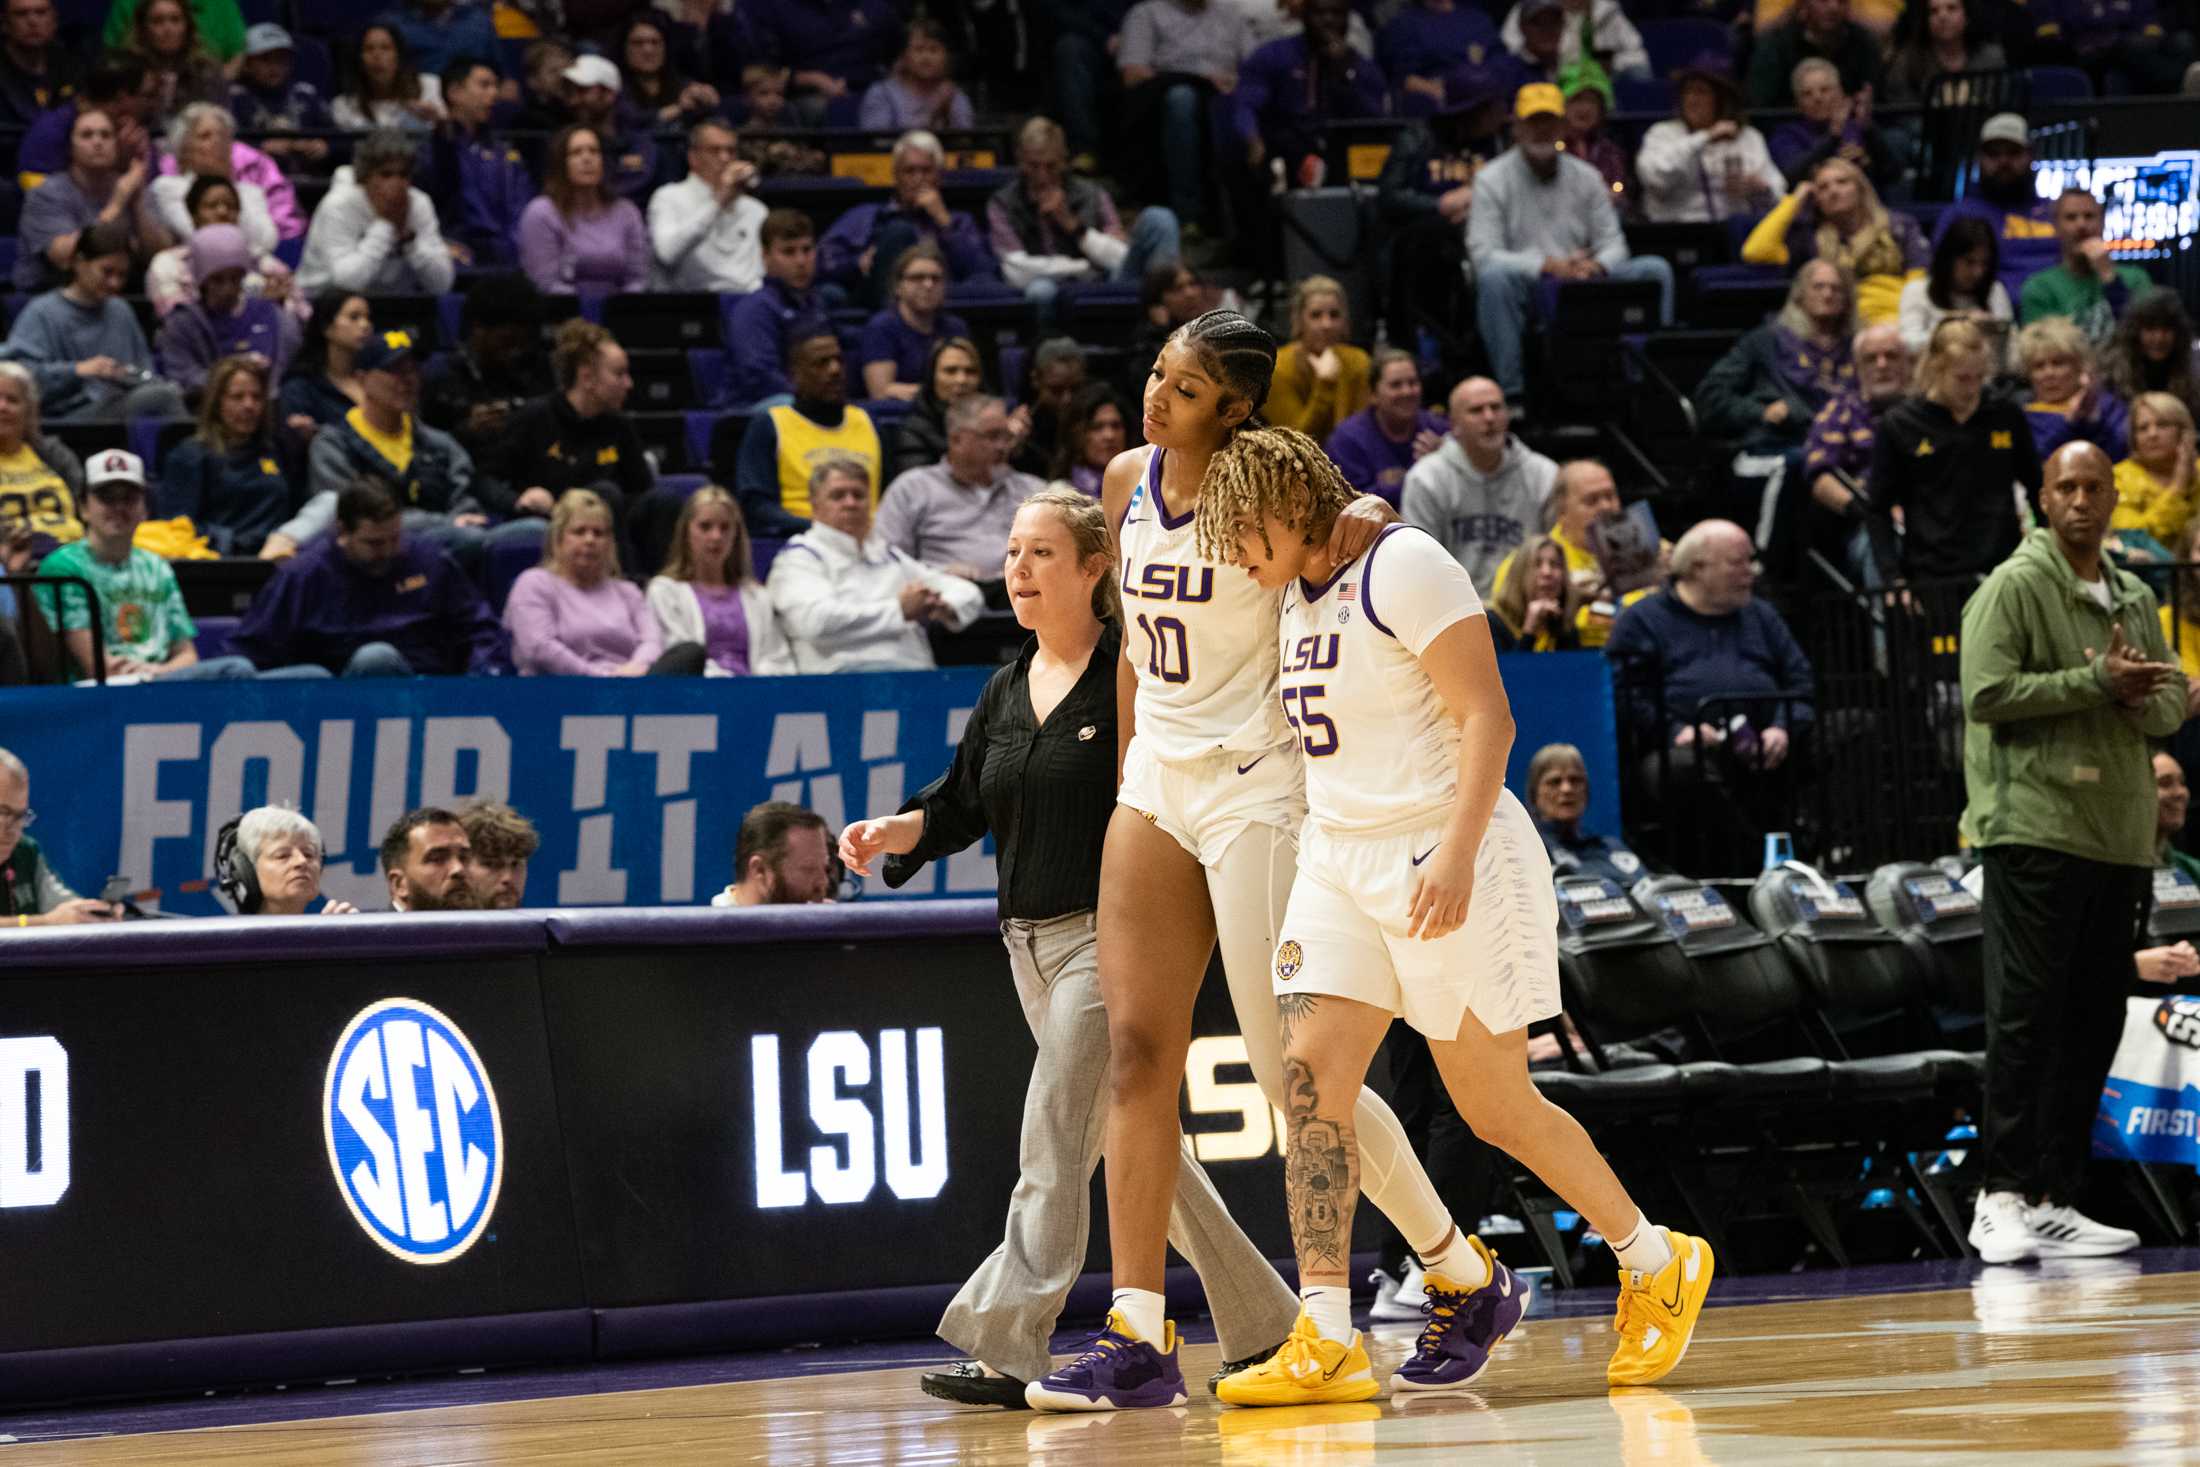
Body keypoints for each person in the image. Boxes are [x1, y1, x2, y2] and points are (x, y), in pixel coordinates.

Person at [1181, 425, 1710, 1407]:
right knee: (1307, 1091)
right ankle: (1326, 1331)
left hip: (1446, 848)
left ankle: (1655, 1255)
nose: (1234, 558)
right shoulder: (1292, 594)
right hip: (1339, 858)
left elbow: (1489, 719)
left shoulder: (1408, 565)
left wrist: (1458, 854)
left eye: (1240, 534)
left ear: (1285, 508)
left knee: (1492, 1105)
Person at [1021, 314, 1482, 1414]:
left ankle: (1455, 1267)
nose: (1155, 399)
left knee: (1297, 1076)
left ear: (1232, 409)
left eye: (1183, 389)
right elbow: (1131, 646)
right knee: (1135, 1055)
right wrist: (1134, 776)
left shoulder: (1260, 485)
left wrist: (1369, 512)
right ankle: (1137, 1331)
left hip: (1257, 789)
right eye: (1154, 376)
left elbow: (1353, 522)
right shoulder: (1127, 475)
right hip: (1160, 783)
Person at [838, 485, 1302, 1406]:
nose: (1018, 567)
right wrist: (902, 830)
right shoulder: (1006, 686)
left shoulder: (1132, 672)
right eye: (1012, 552)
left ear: (1098, 570)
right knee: (1143, 1151)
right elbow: (965, 797)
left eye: (1041, 552)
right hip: (1026, 945)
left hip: (1114, 936)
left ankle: (1010, 1338)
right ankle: (1265, 1321)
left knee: (1056, 1132)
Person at [1960, 440, 2181, 1263]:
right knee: (2027, 1013)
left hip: (2119, 832)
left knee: (2094, 1016)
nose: (2082, 500)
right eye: (2067, 487)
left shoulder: (2132, 591)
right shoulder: (2015, 586)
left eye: (2096, 487)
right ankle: (2000, 1194)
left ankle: (2056, 1193)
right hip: (2036, 826)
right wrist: (2097, 684)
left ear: (2117, 498)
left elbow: (2160, 716)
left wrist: (2162, 694)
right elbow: (1984, 691)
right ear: (2043, 501)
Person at [1605, 519, 1815, 872]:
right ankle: (1756, 868)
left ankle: (1835, 855)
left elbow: (1801, 681)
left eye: (1751, 561)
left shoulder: (1761, 615)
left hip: (1770, 743)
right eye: (1739, 562)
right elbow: (1624, 694)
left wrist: (1782, 727)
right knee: (1678, 770)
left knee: (1856, 729)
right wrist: (1674, 731)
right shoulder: (1641, 620)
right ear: (1697, 568)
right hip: (1688, 748)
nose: (1751, 572)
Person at [35, 447, 317, 682]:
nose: (119, 508)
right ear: (83, 507)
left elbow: (187, 655)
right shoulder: (64, 567)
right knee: (236, 671)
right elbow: (99, 668)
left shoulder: (156, 566)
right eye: (107, 498)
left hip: (161, 684)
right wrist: (160, 673)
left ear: (145, 508)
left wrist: (158, 671)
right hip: (101, 694)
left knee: (311, 675)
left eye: (129, 498)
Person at [1469, 83, 1673, 409]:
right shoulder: (1491, 179)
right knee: (1493, 280)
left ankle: (1649, 381)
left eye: (1549, 121)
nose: (1542, 131)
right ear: (1517, 129)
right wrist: (1545, 265)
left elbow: (1614, 243)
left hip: (1584, 280)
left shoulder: (1588, 177)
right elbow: (1483, 254)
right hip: (1530, 285)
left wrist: (1598, 265)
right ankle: (1512, 393)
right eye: (1533, 122)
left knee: (1655, 269)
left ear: (1563, 125)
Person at [274, 327, 523, 565]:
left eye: (412, 370)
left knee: (532, 531)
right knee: (468, 539)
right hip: (375, 550)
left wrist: (460, 520)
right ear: (362, 379)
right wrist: (445, 523)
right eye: (393, 371)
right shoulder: (334, 443)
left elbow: (465, 499)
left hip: (451, 544)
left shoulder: (438, 442)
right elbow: (352, 514)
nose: (407, 380)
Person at [230, 480, 504, 677]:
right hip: (336, 706)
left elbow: (480, 628)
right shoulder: (303, 575)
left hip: (425, 691)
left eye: (395, 539)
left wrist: (479, 675)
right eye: (373, 543)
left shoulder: (430, 561)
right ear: (342, 531)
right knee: (373, 660)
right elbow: (253, 648)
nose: (387, 552)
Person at [1866, 318, 2042, 589]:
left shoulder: (2005, 415)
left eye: (1979, 377)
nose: (1972, 388)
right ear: (1937, 368)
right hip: (1933, 576)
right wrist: (1892, 576)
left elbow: (2036, 486)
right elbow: (1878, 507)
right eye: (1962, 378)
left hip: (2004, 569)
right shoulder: (1901, 424)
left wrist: (2043, 554)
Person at [768, 457, 984, 672]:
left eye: (859, 495)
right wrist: (899, 610)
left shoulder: (887, 554)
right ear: (815, 506)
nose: (850, 503)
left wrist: (943, 604)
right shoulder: (799, 557)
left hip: (915, 674)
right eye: (838, 496)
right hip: (841, 680)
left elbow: (968, 592)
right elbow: (815, 622)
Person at [987, 115, 1181, 318]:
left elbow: (1120, 258)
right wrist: (1079, 267)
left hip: (1105, 280)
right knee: (1040, 291)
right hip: (1050, 283)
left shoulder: (1092, 194)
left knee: (1159, 218)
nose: (1042, 175)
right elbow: (1015, 270)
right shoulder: (1003, 203)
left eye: (1051, 166)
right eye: (1033, 166)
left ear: (1064, 161)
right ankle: (1047, 347)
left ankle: (1169, 320)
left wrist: (1073, 225)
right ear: (1020, 160)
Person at [505, 489, 705, 677]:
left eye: (599, 533)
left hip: (631, 685)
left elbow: (652, 641)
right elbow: (539, 648)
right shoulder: (534, 583)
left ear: (610, 543)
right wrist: (600, 677)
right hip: (563, 692)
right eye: (579, 531)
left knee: (689, 653)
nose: (590, 540)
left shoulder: (627, 591)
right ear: (558, 539)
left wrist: (634, 669)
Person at [5, 220, 187, 423]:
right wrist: (78, 371)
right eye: (107, 272)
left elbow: (145, 370)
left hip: (119, 407)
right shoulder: (42, 312)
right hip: (65, 418)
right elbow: (18, 376)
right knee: (161, 397)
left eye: (122, 275)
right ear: (79, 263)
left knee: (165, 392)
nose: (115, 283)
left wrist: (127, 375)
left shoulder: (121, 310)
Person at [481, 319, 650, 537]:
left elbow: (642, 492)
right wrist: (516, 500)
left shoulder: (620, 425)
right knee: (603, 495)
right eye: (619, 374)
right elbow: (485, 479)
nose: (629, 384)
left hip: (609, 525)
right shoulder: (534, 418)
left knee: (661, 501)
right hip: (550, 524)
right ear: (587, 377)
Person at [1401, 376, 1556, 597]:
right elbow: (1420, 567)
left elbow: (1559, 557)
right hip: (1455, 612)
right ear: (1454, 425)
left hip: (1526, 611)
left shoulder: (1544, 475)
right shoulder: (1426, 480)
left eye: (1496, 408)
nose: (1489, 417)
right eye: (1476, 411)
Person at [1115, 0, 1252, 235]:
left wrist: (1237, 84)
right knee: (1182, 98)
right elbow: (1133, 75)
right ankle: (1188, 214)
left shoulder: (1231, 14)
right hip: (1167, 104)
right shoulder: (1147, 13)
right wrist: (1199, 80)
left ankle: (1243, 228)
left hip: (1226, 96)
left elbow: (1254, 67)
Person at [879, 395, 1044, 588]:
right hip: (946, 597)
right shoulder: (912, 489)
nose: (1002, 446)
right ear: (956, 439)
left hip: (1022, 598)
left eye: (1006, 436)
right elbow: (886, 561)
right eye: (992, 436)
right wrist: (936, 576)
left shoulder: (1033, 490)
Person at [817, 130, 997, 307]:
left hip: (943, 301)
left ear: (940, 176)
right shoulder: (865, 216)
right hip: (878, 303)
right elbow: (823, 260)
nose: (918, 179)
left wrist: (944, 222)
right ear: (895, 176)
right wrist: (856, 263)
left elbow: (982, 270)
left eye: (926, 171)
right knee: (899, 231)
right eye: (909, 171)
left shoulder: (958, 221)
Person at [1696, 260, 1858, 455]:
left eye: (1836, 288)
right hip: (1783, 443)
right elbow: (1711, 396)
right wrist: (1760, 412)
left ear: (1847, 299)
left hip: (1847, 446)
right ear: (1799, 294)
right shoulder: (1765, 341)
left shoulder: (1861, 347)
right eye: (1818, 287)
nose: (1827, 294)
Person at [1743, 155, 1925, 326]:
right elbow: (1755, 251)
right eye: (1823, 187)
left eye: (1842, 182)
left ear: (1860, 188)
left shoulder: (1898, 225)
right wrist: (1794, 200)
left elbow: (1918, 279)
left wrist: (1908, 325)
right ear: (1816, 200)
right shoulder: (1809, 239)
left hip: (1900, 321)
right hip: (1840, 330)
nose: (1833, 191)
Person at [734, 331, 882, 538]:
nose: (835, 370)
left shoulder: (868, 421)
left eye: (839, 360)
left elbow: (890, 495)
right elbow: (757, 506)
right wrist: (822, 528)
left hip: (869, 542)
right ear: (795, 374)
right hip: (801, 540)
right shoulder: (770, 425)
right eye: (821, 363)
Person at [1232, 0, 1389, 184]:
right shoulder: (1274, 54)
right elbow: (1246, 104)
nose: (1328, 21)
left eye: (1336, 14)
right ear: (1304, 17)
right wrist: (1252, 138)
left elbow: (1376, 118)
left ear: (1347, 20)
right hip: (1286, 147)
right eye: (1320, 13)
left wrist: (1345, 72)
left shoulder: (1361, 67)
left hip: (1342, 151)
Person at [646, 485, 795, 676]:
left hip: (757, 695)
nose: (716, 536)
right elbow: (678, 657)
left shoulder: (757, 595)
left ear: (736, 535)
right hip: (696, 697)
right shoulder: (664, 592)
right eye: (705, 527)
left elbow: (777, 657)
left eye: (725, 528)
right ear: (686, 532)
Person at [14, 106, 167, 292]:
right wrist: (117, 205)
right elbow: (64, 257)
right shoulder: (45, 194)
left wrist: (137, 205)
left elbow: (160, 255)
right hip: (52, 294)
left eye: (106, 135)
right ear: (70, 147)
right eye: (87, 135)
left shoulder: (130, 186)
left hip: (120, 294)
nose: (97, 142)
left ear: (116, 145)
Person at [155, 354, 296, 555]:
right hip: (219, 566)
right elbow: (177, 527)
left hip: (275, 559)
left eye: (256, 397)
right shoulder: (190, 456)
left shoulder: (274, 449)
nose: (249, 406)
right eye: (237, 397)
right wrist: (234, 543)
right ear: (217, 403)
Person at [294, 129, 457, 297]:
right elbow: (344, 283)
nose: (397, 183)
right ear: (364, 177)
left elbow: (442, 284)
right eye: (386, 175)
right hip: (323, 303)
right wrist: (385, 225)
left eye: (403, 175)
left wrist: (410, 242)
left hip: (392, 306)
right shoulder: (338, 206)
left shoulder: (418, 204)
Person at [1491, 458, 1634, 649]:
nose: (1606, 507)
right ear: (1562, 511)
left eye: (1610, 496)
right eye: (1592, 500)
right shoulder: (1530, 562)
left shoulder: (1650, 554)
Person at [1635, 54, 1788, 225]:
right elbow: (1656, 180)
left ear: (1722, 99)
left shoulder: (1748, 137)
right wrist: (1704, 137)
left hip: (1734, 233)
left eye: (1701, 92)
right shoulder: (1662, 134)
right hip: (1675, 233)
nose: (1692, 100)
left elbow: (1778, 195)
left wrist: (1759, 189)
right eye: (1687, 92)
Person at [154, 223, 300, 399]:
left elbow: (293, 370)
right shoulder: (181, 323)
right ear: (201, 280)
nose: (228, 289)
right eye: (217, 280)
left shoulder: (274, 316)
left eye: (235, 278)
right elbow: (182, 375)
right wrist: (233, 383)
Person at [420, 273, 551, 466]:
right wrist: (466, 432)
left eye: (524, 343)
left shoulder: (537, 370)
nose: (517, 352)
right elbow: (421, 452)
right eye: (508, 342)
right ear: (478, 330)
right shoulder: (441, 379)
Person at [1931, 113, 2058, 308]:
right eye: (1994, 154)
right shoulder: (1960, 215)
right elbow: (1944, 277)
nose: (2003, 162)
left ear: (2030, 156)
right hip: (1989, 314)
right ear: (1979, 158)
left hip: (2059, 313)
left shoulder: (2055, 212)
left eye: (2013, 153)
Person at [1803, 323, 1914, 540]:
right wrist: (1872, 512)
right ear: (1858, 367)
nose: (1882, 365)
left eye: (1891, 356)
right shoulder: (1839, 411)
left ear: (1908, 362)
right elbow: (1820, 477)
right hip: (1867, 520)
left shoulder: (1930, 407)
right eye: (1871, 358)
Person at [420, 54, 531, 268]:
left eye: (496, 86)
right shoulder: (431, 148)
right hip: (456, 251)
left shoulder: (505, 151)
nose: (494, 93)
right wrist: (443, 140)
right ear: (454, 92)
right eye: (484, 85)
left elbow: (521, 204)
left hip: (508, 252)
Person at [143, 174, 298, 321]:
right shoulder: (167, 264)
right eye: (211, 206)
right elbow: (173, 318)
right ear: (193, 215)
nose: (222, 212)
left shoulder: (264, 263)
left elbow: (301, 313)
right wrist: (259, 307)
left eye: (231, 206)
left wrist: (281, 304)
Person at [519, 123, 648, 295]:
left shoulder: (626, 212)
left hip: (621, 314)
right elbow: (545, 283)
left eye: (594, 151)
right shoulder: (541, 213)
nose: (587, 159)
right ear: (561, 163)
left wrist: (620, 310)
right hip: (561, 314)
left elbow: (638, 279)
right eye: (576, 152)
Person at [2020, 189, 2154, 351]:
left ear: (2102, 222)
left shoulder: (2136, 279)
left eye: (2089, 216)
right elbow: (2042, 353)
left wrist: (2109, 277)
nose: (2081, 225)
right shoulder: (2039, 288)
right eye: (2071, 217)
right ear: (2055, 226)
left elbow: (2147, 341)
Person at [0, 746, 117, 926]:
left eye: (20, 816)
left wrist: (91, 913)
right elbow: (52, 919)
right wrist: (44, 922)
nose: (13, 829)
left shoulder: (25, 851)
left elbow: (62, 906)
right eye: (3, 813)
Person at [649, 117, 766, 293]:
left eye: (731, 151)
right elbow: (668, 254)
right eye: (715, 150)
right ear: (693, 158)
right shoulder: (668, 197)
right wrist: (718, 202)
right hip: (692, 305)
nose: (725, 158)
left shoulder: (755, 209)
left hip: (746, 300)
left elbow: (759, 271)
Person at [148, 103, 281, 258]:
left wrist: (226, 185)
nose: (218, 143)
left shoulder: (251, 192)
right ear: (182, 149)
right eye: (205, 136)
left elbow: (267, 241)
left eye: (223, 136)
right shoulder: (168, 188)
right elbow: (196, 234)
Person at [722, 208, 825, 408]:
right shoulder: (754, 309)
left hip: (810, 402)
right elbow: (760, 378)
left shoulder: (818, 304)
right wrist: (813, 398)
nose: (801, 261)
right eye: (789, 252)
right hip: (756, 410)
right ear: (765, 256)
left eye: (807, 250)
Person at [15, 55, 155, 194]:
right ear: (122, 98)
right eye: (146, 96)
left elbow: (152, 188)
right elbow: (43, 199)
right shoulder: (50, 133)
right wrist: (117, 165)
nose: (151, 104)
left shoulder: (129, 129)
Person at [1324, 350, 1444, 505]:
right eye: (1396, 385)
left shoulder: (1438, 429)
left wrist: (1444, 459)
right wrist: (1426, 469)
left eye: (1413, 383)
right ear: (1373, 394)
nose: (1407, 391)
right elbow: (1354, 504)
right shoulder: (1347, 440)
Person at [858, 244, 971, 402]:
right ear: (898, 286)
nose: (928, 285)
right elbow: (881, 391)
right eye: (917, 278)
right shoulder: (881, 327)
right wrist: (942, 390)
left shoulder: (955, 327)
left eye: (936, 279)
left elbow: (970, 382)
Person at [1763, 59, 1899, 191]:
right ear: (1798, 104)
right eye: (1807, 94)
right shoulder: (1786, 135)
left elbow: (1892, 175)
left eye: (1825, 90)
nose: (1817, 98)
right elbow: (1789, 177)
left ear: (1840, 93)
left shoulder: (1862, 128)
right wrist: (1832, 138)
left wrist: (1866, 162)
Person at [1264, 275, 1370, 444]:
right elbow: (1297, 442)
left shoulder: (1358, 360)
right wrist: (1325, 384)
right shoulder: (1277, 368)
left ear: (1345, 321)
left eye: (1334, 315)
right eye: (1315, 315)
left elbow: (1360, 431)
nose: (1326, 324)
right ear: (1299, 320)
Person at [1527, 742, 1647, 884]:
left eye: (1575, 780)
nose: (1567, 789)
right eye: (1555, 781)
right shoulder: (1531, 849)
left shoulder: (1611, 847)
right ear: (1535, 794)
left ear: (1587, 790)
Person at [1898, 215, 2015, 358]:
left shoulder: (1995, 291)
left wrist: (1993, 332)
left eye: (1984, 264)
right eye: (1969, 262)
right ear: (1949, 259)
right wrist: (1962, 328)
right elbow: (1909, 344)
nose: (1978, 272)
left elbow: (2012, 348)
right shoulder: (1917, 291)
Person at [2017, 317, 2129, 464]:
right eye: (2039, 366)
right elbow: (2034, 463)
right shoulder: (2022, 417)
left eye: (2058, 363)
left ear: (2079, 365)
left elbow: (2121, 453)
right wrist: (2070, 424)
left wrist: (2092, 421)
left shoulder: (2108, 407)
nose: (2049, 373)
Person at [0, 362, 86, 550]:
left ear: (29, 411)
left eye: (12, 400)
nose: (3, 407)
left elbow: (86, 507)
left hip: (72, 556)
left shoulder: (54, 455)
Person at [218, 806, 359, 916]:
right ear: (247, 871)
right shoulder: (223, 949)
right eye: (283, 856)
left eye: (309, 854)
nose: (302, 861)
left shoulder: (334, 937)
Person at [556, 53, 657, 206]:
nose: (574, 100)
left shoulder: (638, 142)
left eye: (583, 91)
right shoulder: (561, 141)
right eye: (571, 92)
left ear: (609, 94)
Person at [228, 23, 334, 165]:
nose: (274, 66)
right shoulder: (236, 99)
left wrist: (324, 146)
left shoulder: (305, 94)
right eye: (265, 59)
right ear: (247, 64)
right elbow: (228, 146)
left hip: (310, 177)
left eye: (281, 59)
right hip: (255, 178)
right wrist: (259, 148)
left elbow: (336, 138)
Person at [1746, 0, 1882, 109]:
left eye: (1842, 1)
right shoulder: (1777, 46)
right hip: (1789, 132)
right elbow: (1761, 106)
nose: (1833, 7)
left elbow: (1879, 101)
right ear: (1803, 4)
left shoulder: (1863, 42)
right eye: (1823, 1)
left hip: (1852, 129)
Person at [276, 291, 372, 443]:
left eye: (368, 318)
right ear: (327, 327)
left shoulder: (378, 378)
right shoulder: (300, 388)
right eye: (354, 317)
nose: (365, 325)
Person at [2113, 393, 2200, 556]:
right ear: (2134, 438)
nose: (2152, 434)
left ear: (2184, 432)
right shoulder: (2119, 477)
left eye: (2163, 425)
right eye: (2142, 428)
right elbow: (2135, 540)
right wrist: (2178, 486)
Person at [889, 337, 985, 482]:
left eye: (970, 371)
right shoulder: (913, 430)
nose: (961, 379)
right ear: (932, 377)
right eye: (950, 371)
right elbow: (918, 490)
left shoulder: (994, 424)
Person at [1378, 0, 1500, 115]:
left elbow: (1499, 60)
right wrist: (1443, 92)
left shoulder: (1477, 20)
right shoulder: (1404, 24)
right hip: (1438, 96)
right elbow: (1404, 78)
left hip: (1482, 92)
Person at [1880, 0, 2004, 107]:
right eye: (1933, 11)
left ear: (1967, 15)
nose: (1942, 16)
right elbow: (1900, 113)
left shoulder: (1991, 58)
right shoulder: (1907, 61)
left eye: (1951, 8)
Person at [858, 16, 973, 132]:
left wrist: (947, 112)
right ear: (903, 57)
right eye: (919, 49)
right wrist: (934, 113)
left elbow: (967, 143)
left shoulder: (954, 95)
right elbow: (877, 144)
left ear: (946, 57)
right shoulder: (882, 94)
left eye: (934, 50)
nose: (926, 58)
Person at [124, 0, 228, 124]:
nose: (168, 29)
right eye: (157, 21)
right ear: (143, 28)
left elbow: (221, 122)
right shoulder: (128, 71)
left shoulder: (206, 70)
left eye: (175, 20)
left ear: (187, 26)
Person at [712, 800, 833, 907]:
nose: (823, 882)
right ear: (760, 870)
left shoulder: (828, 928)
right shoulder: (712, 932)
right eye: (808, 869)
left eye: (825, 869)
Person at [2108, 291, 2200, 425]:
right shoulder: (2113, 372)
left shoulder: (2193, 370)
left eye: (2166, 329)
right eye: (2150, 329)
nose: (2159, 338)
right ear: (2135, 332)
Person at [332, 23, 443, 133]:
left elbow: (450, 133)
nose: (377, 55)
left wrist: (437, 119)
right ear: (359, 59)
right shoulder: (343, 106)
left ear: (399, 55)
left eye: (386, 48)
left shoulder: (428, 86)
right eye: (368, 49)